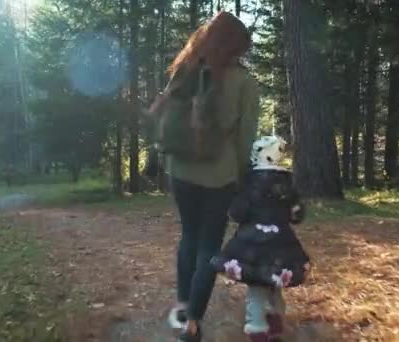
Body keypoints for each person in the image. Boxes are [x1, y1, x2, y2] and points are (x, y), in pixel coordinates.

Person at [151, 11, 259, 342]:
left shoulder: (186, 69)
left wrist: (161, 158)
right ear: (237, 46)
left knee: (188, 239)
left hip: (180, 170)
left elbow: (165, 118)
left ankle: (185, 315)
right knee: (210, 247)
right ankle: (193, 322)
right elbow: (245, 138)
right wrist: (244, 176)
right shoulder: (244, 81)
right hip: (219, 175)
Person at [210, 136, 311, 342]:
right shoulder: (287, 185)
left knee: (257, 288)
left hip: (252, 246)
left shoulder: (248, 183)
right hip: (282, 245)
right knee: (276, 285)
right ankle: (276, 327)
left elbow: (237, 213)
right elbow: (297, 215)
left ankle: (258, 331)